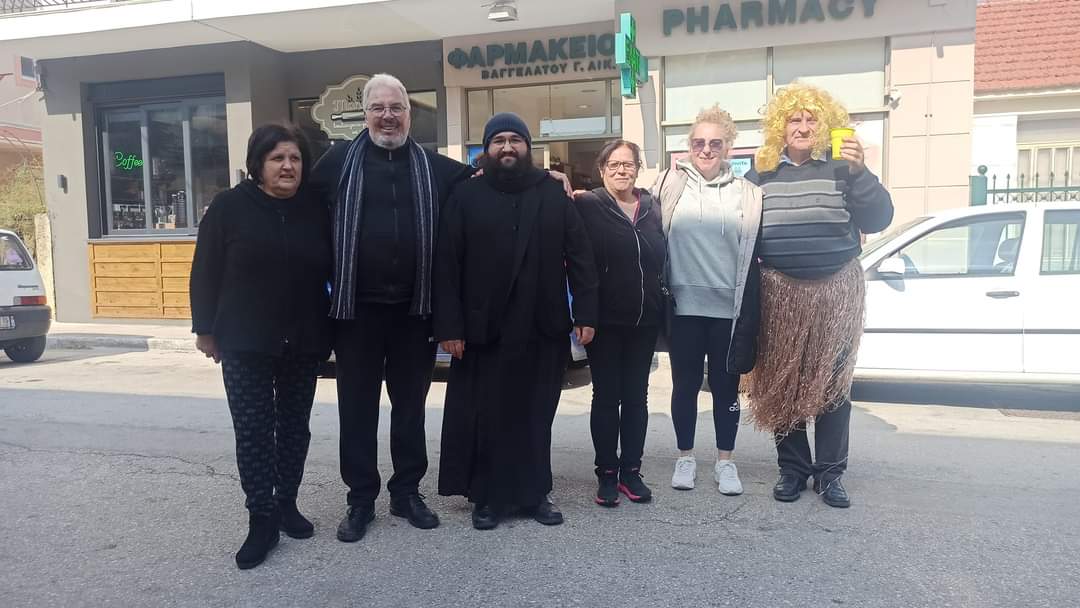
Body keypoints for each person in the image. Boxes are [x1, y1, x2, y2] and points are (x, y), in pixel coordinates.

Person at [309, 74, 575, 543]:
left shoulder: (434, 167)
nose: (388, 116)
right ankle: (361, 498)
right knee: (357, 410)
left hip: (414, 312)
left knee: (410, 409)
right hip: (357, 313)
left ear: (409, 115)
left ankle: (406, 492)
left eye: (396, 108)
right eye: (378, 108)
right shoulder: (336, 163)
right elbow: (302, 205)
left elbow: (493, 173)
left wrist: (547, 175)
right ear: (364, 114)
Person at [434, 112, 598, 530]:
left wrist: (585, 312)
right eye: (498, 140)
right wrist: (449, 327)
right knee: (487, 415)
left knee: (536, 415)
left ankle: (535, 493)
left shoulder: (552, 193)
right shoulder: (465, 196)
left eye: (515, 139)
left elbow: (580, 255)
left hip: (542, 326)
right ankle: (487, 497)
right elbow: (446, 265)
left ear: (528, 147)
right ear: (486, 150)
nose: (507, 147)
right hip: (483, 329)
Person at [743, 82, 893, 508]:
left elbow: (879, 217)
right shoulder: (762, 173)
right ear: (781, 126)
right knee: (784, 383)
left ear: (825, 125)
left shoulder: (844, 168)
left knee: (832, 385)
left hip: (836, 292)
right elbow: (741, 228)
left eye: (812, 119)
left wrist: (862, 173)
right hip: (780, 294)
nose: (803, 127)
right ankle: (792, 470)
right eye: (795, 119)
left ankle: (830, 474)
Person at [189, 123, 332, 569]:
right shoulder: (229, 207)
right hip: (244, 338)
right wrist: (205, 329)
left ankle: (286, 502)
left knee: (294, 427)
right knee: (253, 429)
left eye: (295, 158)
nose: (288, 166)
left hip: (304, 336)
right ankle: (261, 517)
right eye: (277, 158)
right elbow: (205, 270)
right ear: (258, 164)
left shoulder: (315, 207)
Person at [651, 105, 763, 496]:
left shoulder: (748, 194)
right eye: (699, 142)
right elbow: (623, 199)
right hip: (683, 308)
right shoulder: (668, 184)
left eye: (715, 143)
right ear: (689, 146)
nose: (706, 149)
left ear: (728, 147)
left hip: (728, 311)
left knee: (725, 388)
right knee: (684, 385)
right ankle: (685, 457)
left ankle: (725, 462)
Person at [572, 140, 665, 507]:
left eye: (628, 164)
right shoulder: (588, 205)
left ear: (638, 169)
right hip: (604, 322)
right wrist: (584, 315)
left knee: (637, 397)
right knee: (607, 397)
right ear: (602, 170)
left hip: (645, 320)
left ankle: (631, 471)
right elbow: (579, 263)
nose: (622, 170)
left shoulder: (652, 207)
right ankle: (607, 473)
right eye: (614, 164)